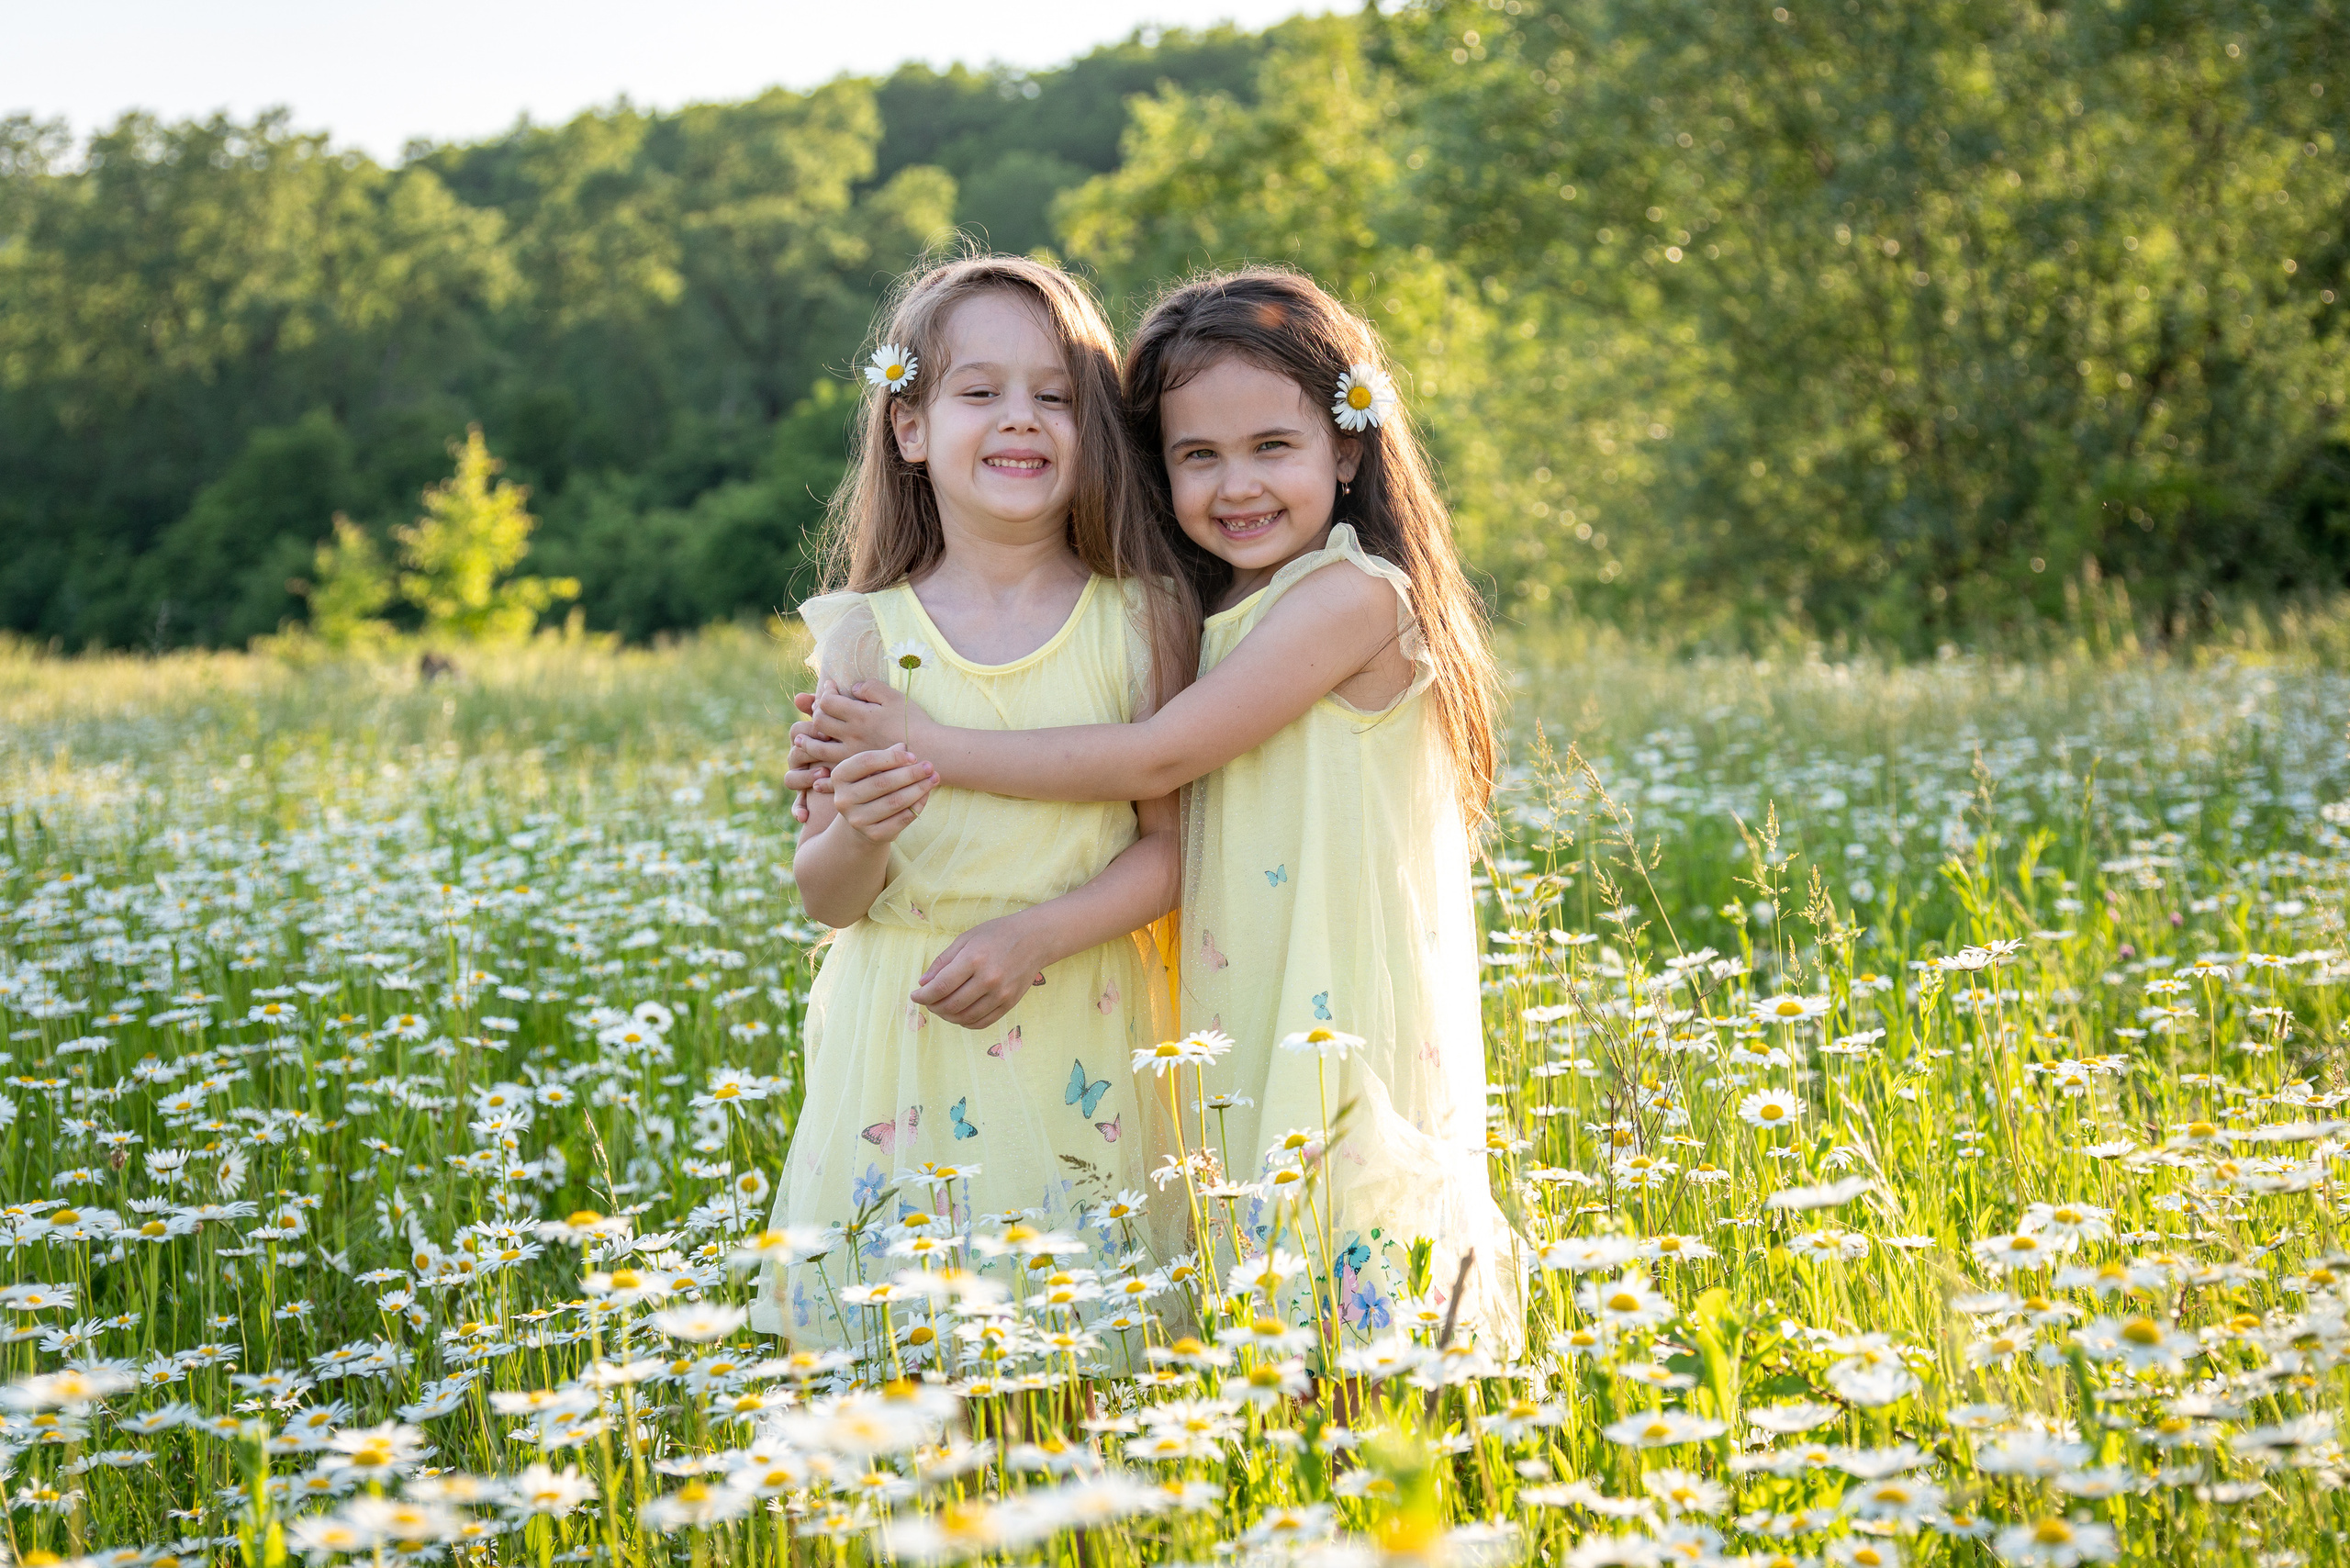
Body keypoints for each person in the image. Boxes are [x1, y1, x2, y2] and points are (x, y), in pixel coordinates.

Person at [789, 268, 1524, 1355]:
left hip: (1315, 998)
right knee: (1257, 1311)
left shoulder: (1345, 595)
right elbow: (825, 881)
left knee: (1347, 1313)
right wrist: (861, 810)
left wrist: (925, 743)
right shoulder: (1208, 608)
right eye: (1197, 456)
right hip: (1201, 999)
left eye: (1271, 446)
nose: (1237, 484)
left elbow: (1162, 760)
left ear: (1347, 449)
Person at [751, 253, 1196, 1361]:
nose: (1020, 419)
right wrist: (864, 827)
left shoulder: (1142, 620)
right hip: (905, 1036)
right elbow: (827, 895)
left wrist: (1031, 935)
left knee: (1079, 1362)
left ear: (1094, 429)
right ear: (909, 427)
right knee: (911, 1370)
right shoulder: (864, 636)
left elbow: (1171, 851)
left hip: (1075, 1014)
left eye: (1054, 395)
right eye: (980, 391)